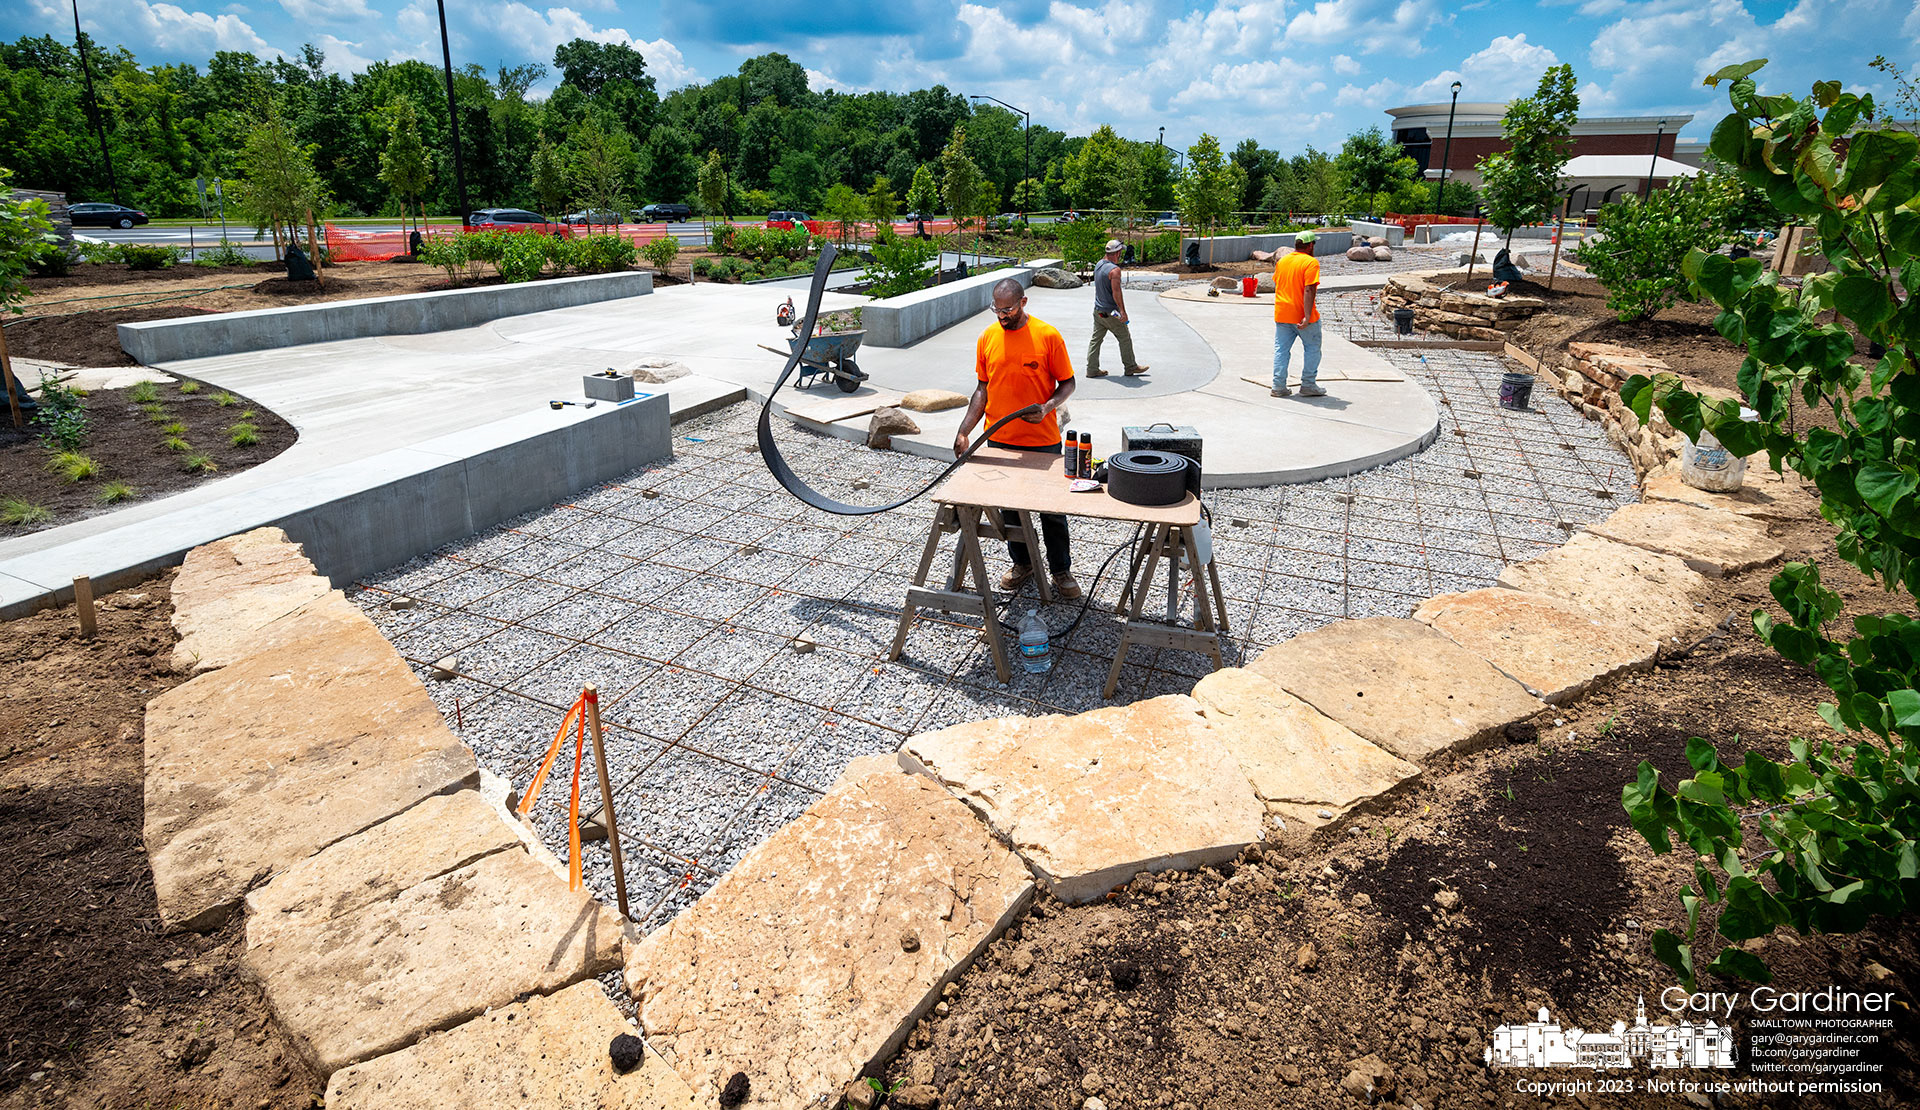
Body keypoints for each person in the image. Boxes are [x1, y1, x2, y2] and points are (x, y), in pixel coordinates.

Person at [953, 278, 1083, 600]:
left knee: (1051, 511)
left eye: (1007, 310)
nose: (1001, 316)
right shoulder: (987, 338)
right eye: (996, 310)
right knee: (1010, 509)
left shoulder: (1047, 336)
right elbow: (982, 389)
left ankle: (1060, 570)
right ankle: (1022, 563)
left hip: (1042, 441)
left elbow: (1068, 383)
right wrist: (965, 430)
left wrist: (1049, 406)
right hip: (999, 439)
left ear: (1023, 303)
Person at [1271, 231, 1326, 398]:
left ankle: (1278, 386)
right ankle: (1308, 384)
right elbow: (1309, 289)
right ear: (1310, 246)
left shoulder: (1283, 261)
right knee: (1312, 348)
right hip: (1302, 316)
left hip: (1282, 313)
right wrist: (1307, 316)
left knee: (1281, 350)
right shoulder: (1310, 263)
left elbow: (1278, 283)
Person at [1087, 239, 1149, 379]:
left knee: (1096, 340)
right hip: (1110, 312)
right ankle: (1130, 366)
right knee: (1124, 337)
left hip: (1098, 311)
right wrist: (1122, 312)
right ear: (1117, 253)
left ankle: (1092, 369)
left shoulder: (1098, 264)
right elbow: (1116, 293)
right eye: (1120, 252)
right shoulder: (1115, 271)